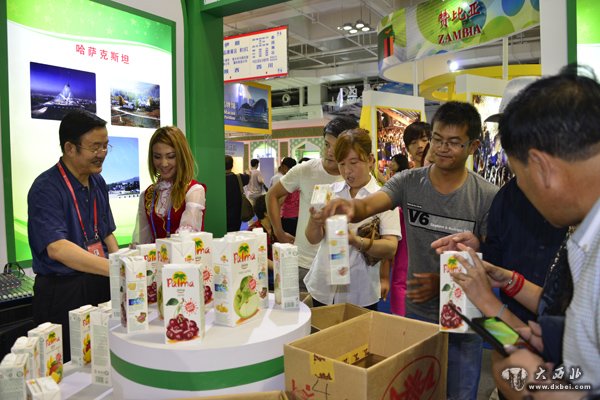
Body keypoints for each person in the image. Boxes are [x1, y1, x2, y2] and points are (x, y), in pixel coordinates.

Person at [322, 102, 498, 400]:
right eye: (438, 139)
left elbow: (493, 261)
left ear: (473, 146)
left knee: (460, 392)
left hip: (464, 315)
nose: (443, 148)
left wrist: (445, 279)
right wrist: (350, 208)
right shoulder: (409, 182)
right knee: (419, 389)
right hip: (419, 314)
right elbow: (371, 204)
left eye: (454, 142)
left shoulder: (486, 196)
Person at [28, 110, 119, 362]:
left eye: (105, 145)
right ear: (70, 148)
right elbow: (57, 248)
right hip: (63, 291)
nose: (102, 153)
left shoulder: (98, 182)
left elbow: (106, 232)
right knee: (68, 364)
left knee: (103, 358)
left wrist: (122, 264)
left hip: (99, 283)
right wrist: (114, 268)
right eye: (95, 147)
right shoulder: (46, 188)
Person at [304, 129, 400, 310]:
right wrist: (314, 221)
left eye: (354, 162)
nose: (347, 171)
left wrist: (355, 241)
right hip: (323, 284)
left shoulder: (384, 198)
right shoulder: (330, 191)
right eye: (341, 164)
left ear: (370, 160)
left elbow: (390, 248)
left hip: (360, 290)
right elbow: (313, 239)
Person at [266, 116, 358, 291]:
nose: (330, 152)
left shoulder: (354, 176)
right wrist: (278, 231)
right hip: (304, 263)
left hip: (342, 265)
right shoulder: (305, 170)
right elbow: (272, 195)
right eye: (327, 144)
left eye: (337, 146)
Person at [133, 126, 205, 243]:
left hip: (184, 253)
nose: (164, 163)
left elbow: (187, 239)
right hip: (155, 255)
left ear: (182, 156)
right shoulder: (146, 195)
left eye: (171, 156)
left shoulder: (194, 190)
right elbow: (142, 241)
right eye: (157, 157)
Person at [383, 153, 410, 316]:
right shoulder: (401, 179)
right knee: (400, 274)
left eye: (393, 161)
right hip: (401, 227)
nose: (390, 163)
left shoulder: (403, 178)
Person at [225, 155, 250, 232]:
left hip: (222, 214)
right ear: (232, 165)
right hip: (236, 214)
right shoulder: (239, 178)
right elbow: (248, 176)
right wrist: (247, 172)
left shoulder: (218, 180)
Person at [278, 157, 300, 236]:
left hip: (288, 216)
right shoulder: (299, 179)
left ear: (284, 167)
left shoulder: (286, 181)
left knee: (288, 241)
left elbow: (280, 201)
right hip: (299, 215)